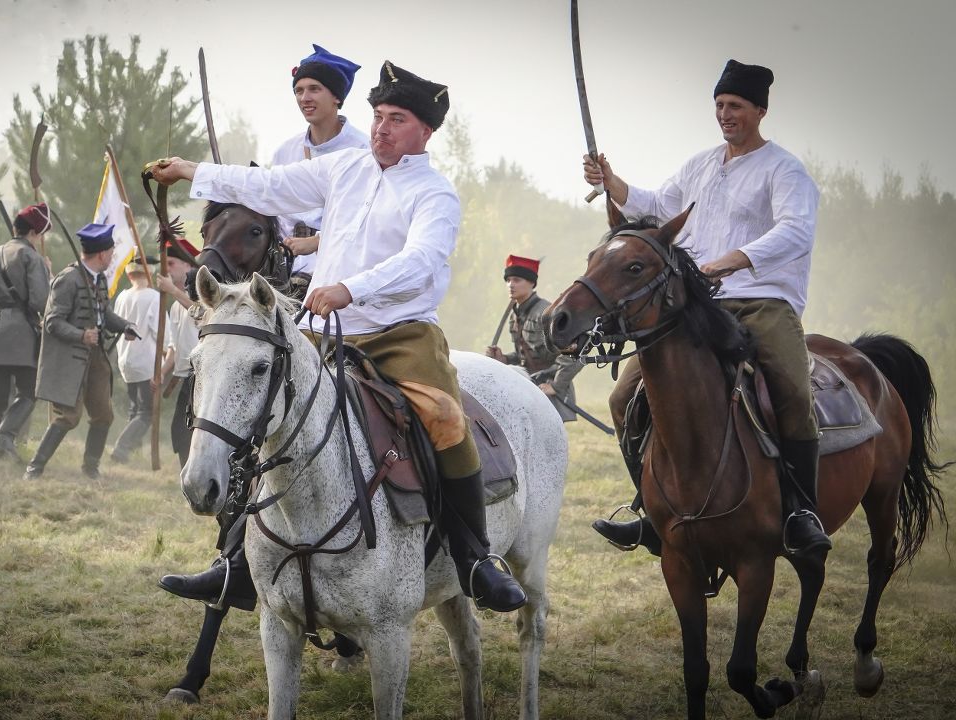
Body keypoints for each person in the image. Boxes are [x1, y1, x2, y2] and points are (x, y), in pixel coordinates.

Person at [151, 60, 527, 612]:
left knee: (447, 418)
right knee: (259, 417)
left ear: (425, 131)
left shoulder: (435, 194)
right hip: (319, 331)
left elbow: (422, 260)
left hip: (400, 334)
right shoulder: (344, 167)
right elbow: (268, 186)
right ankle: (235, 562)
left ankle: (474, 558)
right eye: (378, 116)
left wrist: (351, 288)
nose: (381, 129)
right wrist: (190, 171)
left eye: (396, 120)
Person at [583, 59, 828, 557]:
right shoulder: (698, 165)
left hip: (763, 301)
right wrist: (612, 181)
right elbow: (655, 207)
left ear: (760, 111)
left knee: (790, 388)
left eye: (735, 105)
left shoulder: (785, 170)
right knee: (624, 397)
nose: (725, 114)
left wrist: (732, 260)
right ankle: (652, 510)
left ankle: (800, 510)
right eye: (719, 104)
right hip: (698, 306)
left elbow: (796, 231)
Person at [24, 222, 138, 480]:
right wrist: (81, 335)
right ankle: (35, 468)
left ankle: (90, 469)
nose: (112, 256)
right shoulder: (69, 279)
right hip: (70, 360)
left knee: (103, 414)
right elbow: (52, 322)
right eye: (111, 252)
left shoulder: (99, 279)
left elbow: (103, 313)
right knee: (68, 417)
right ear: (102, 254)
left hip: (96, 356)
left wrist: (125, 326)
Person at [272, 44, 370, 287]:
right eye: (299, 90)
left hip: (339, 276)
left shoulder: (364, 152)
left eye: (314, 89)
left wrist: (317, 242)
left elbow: (367, 219)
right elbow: (275, 212)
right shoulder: (285, 152)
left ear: (336, 96)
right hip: (282, 273)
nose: (304, 98)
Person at [0, 202, 51, 461]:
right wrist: (47, 275)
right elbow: (41, 301)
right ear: (33, 232)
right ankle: (5, 437)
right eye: (41, 234)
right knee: (29, 391)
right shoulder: (32, 257)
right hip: (20, 333)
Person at [486, 255, 585, 422]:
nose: (510, 285)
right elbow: (527, 355)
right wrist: (505, 359)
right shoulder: (515, 315)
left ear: (531, 283)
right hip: (529, 385)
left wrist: (556, 386)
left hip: (548, 387)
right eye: (508, 280)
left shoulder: (546, 313)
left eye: (516, 280)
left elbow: (574, 354)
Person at [154, 238, 201, 468]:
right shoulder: (174, 305)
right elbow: (174, 346)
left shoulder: (201, 295)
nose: (167, 269)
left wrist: (172, 290)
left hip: (202, 377)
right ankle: (187, 477)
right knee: (180, 433)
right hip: (185, 378)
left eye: (171, 263)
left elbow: (201, 312)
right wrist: (162, 372)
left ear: (188, 266)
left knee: (197, 433)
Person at [109, 261, 161, 463]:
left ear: (130, 276)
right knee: (146, 411)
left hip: (126, 359)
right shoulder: (153, 297)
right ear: (149, 274)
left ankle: (131, 453)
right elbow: (160, 332)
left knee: (135, 408)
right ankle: (122, 448)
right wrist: (166, 358)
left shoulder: (122, 296)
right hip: (146, 361)